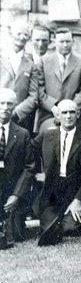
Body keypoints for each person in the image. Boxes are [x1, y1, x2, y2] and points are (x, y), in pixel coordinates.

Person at [26, 100, 81, 241]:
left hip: (74, 192)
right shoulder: (47, 135)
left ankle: (69, 221)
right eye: (64, 112)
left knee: (71, 228)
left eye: (72, 112)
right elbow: (28, 150)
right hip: (51, 193)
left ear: (78, 114)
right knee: (50, 225)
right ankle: (55, 222)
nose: (68, 116)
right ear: (57, 115)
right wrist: (38, 172)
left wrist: (77, 200)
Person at [37, 27, 81, 132]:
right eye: (61, 42)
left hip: (73, 118)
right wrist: (53, 108)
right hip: (48, 115)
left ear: (73, 42)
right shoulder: (43, 61)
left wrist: (69, 109)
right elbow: (39, 89)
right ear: (54, 42)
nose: (65, 45)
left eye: (68, 41)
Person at [0, 89, 32, 244]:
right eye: (2, 103)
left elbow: (29, 168)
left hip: (12, 192)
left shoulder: (22, 134)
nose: (5, 107)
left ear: (14, 106)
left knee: (16, 234)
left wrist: (16, 195)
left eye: (9, 104)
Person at [0, 22, 38, 132]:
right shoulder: (1, 58)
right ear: (11, 34)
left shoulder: (31, 64)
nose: (22, 37)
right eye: (19, 33)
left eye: (25, 35)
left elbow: (33, 96)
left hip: (20, 119)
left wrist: (17, 112)